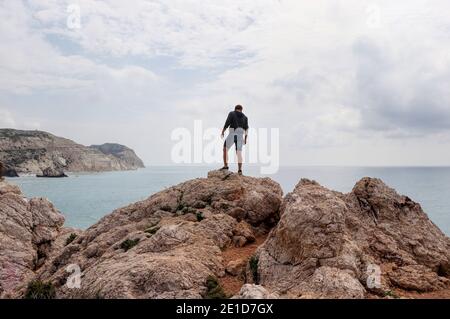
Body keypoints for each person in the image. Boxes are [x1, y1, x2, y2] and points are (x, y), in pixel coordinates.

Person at [220, 105, 249, 175]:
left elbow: (227, 122)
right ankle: (239, 170)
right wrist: (245, 139)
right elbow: (246, 129)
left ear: (235, 109)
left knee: (225, 149)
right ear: (241, 109)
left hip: (232, 134)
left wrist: (223, 131)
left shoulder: (232, 113)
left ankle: (226, 166)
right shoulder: (245, 117)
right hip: (240, 136)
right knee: (239, 152)